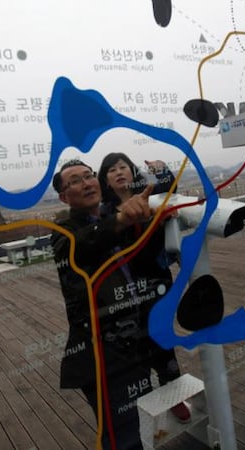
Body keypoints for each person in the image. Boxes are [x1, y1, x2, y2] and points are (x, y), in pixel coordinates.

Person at [50, 159, 187, 450]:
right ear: (63, 197)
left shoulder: (113, 217)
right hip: (102, 354)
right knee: (122, 436)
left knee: (138, 425)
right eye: (75, 181)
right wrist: (122, 219)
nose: (86, 183)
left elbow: (144, 255)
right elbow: (86, 242)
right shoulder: (64, 231)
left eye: (88, 176)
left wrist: (157, 221)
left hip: (134, 344)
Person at [97, 153, 188, 402]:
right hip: (125, 289)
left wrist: (162, 169)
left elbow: (170, 187)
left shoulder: (153, 197)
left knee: (162, 338)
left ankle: (174, 394)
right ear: (106, 181)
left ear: (133, 171)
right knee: (134, 343)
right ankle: (142, 395)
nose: (118, 172)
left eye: (123, 167)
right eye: (112, 170)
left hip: (157, 281)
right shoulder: (105, 213)